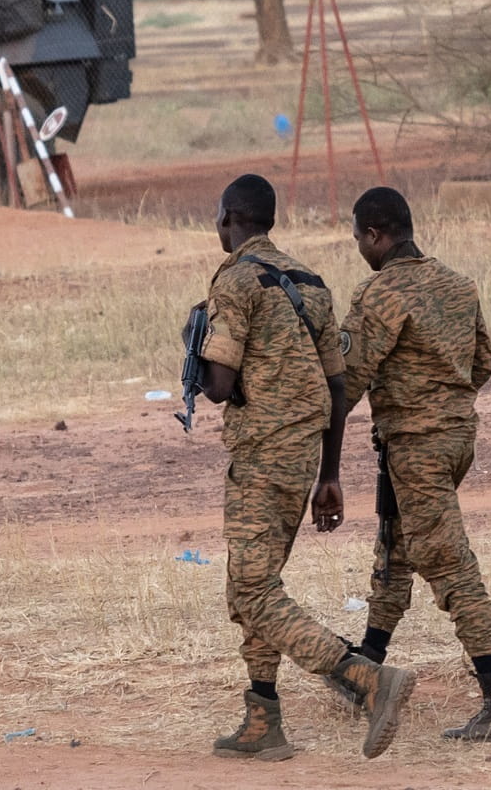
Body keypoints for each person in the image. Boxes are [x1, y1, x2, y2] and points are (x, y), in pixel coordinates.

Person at [194, 174, 415, 761]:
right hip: (302, 459)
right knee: (254, 585)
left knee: (253, 588)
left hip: (261, 457)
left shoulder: (236, 282)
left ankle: (362, 678)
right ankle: (261, 717)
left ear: (229, 218)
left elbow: (218, 385)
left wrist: (192, 353)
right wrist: (330, 475)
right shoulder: (310, 283)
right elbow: (337, 385)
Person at [327, 185, 491, 742]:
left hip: (415, 446)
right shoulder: (458, 285)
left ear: (374, 234)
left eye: (358, 238)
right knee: (396, 544)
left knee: (449, 566)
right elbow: (482, 363)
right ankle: (366, 665)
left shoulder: (378, 294)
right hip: (457, 438)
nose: (358, 249)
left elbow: (350, 379)